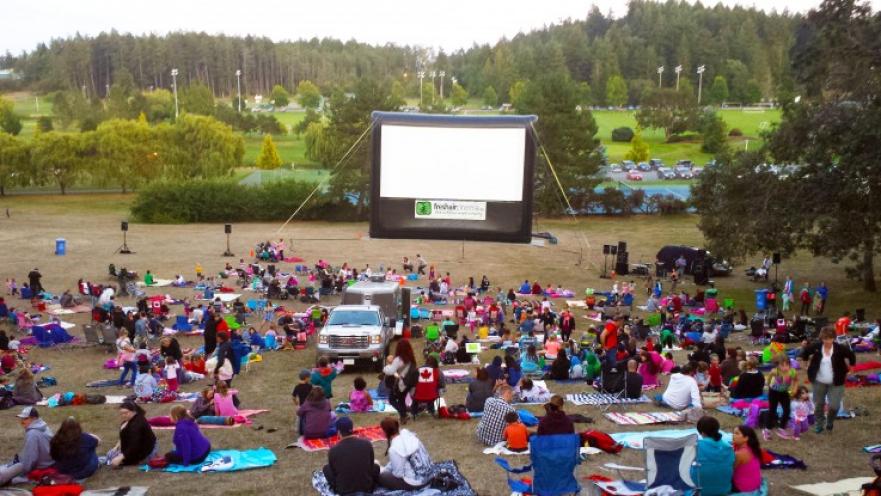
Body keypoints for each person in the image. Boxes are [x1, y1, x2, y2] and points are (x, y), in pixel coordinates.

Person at [801, 326, 856, 433]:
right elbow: (805, 352)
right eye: (825, 338)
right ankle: (819, 424)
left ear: (833, 338)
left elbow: (851, 355)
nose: (827, 341)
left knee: (834, 405)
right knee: (819, 404)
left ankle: (830, 422)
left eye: (830, 338)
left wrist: (851, 369)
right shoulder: (816, 347)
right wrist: (805, 365)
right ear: (821, 338)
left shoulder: (840, 348)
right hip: (819, 381)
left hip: (836, 382)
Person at [323, 416, 380, 495]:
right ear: (352, 429)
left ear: (339, 432)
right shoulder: (367, 444)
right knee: (376, 467)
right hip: (367, 488)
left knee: (326, 469)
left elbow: (334, 472)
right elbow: (370, 466)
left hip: (344, 491)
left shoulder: (333, 450)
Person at [0, 407, 54, 485]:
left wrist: (19, 472)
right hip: (48, 464)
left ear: (34, 418)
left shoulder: (33, 434)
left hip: (39, 467)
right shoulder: (44, 427)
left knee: (4, 472)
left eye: (25, 419)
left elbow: (30, 460)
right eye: (21, 419)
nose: (22, 422)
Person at [378, 417, 433, 490]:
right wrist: (386, 468)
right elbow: (399, 459)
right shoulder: (407, 434)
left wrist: (383, 471)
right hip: (430, 473)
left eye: (382, 430)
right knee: (385, 470)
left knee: (380, 476)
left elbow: (398, 474)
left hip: (417, 482)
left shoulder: (394, 449)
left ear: (386, 432)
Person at [693, 416, 734, 496]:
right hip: (723, 490)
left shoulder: (696, 446)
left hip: (700, 492)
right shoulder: (729, 448)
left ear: (702, 432)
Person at [108, 401, 157, 467]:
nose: (123, 415)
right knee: (111, 454)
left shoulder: (136, 425)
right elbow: (123, 437)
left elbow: (135, 445)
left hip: (144, 452)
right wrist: (116, 446)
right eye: (121, 413)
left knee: (112, 457)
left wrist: (121, 457)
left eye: (126, 413)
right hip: (136, 448)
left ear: (134, 411)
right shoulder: (130, 420)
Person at [764, 354, 798, 440]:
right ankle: (767, 430)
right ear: (777, 365)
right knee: (772, 411)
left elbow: (796, 380)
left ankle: (781, 428)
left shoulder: (792, 372)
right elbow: (769, 377)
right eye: (782, 365)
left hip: (784, 392)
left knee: (787, 410)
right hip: (773, 392)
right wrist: (768, 384)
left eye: (787, 365)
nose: (785, 367)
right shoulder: (775, 371)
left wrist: (794, 389)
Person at [383, 340, 418, 423]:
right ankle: (403, 416)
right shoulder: (411, 358)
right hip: (408, 383)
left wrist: (385, 368)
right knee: (401, 399)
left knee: (392, 399)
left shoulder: (398, 359)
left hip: (400, 383)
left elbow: (391, 371)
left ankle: (403, 414)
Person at [732, 425, 763, 493]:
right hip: (755, 485)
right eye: (733, 433)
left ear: (746, 438)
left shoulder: (740, 453)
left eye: (737, 433)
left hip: (743, 488)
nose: (733, 435)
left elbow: (730, 470)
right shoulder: (753, 448)